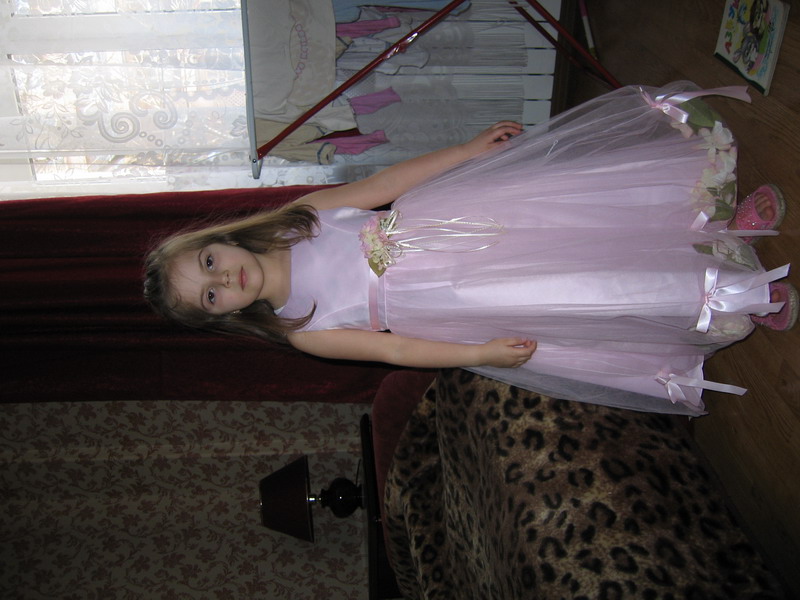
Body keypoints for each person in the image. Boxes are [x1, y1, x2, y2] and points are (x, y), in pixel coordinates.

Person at [144, 81, 795, 417]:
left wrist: (465, 151)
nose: (225, 279)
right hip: (459, 298)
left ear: (217, 240)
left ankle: (715, 225)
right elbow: (396, 350)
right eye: (212, 296)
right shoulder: (306, 333)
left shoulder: (299, 218)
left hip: (463, 221)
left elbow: (384, 186)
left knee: (575, 218)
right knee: (586, 284)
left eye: (209, 264)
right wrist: (478, 354)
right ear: (226, 314)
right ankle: (734, 292)